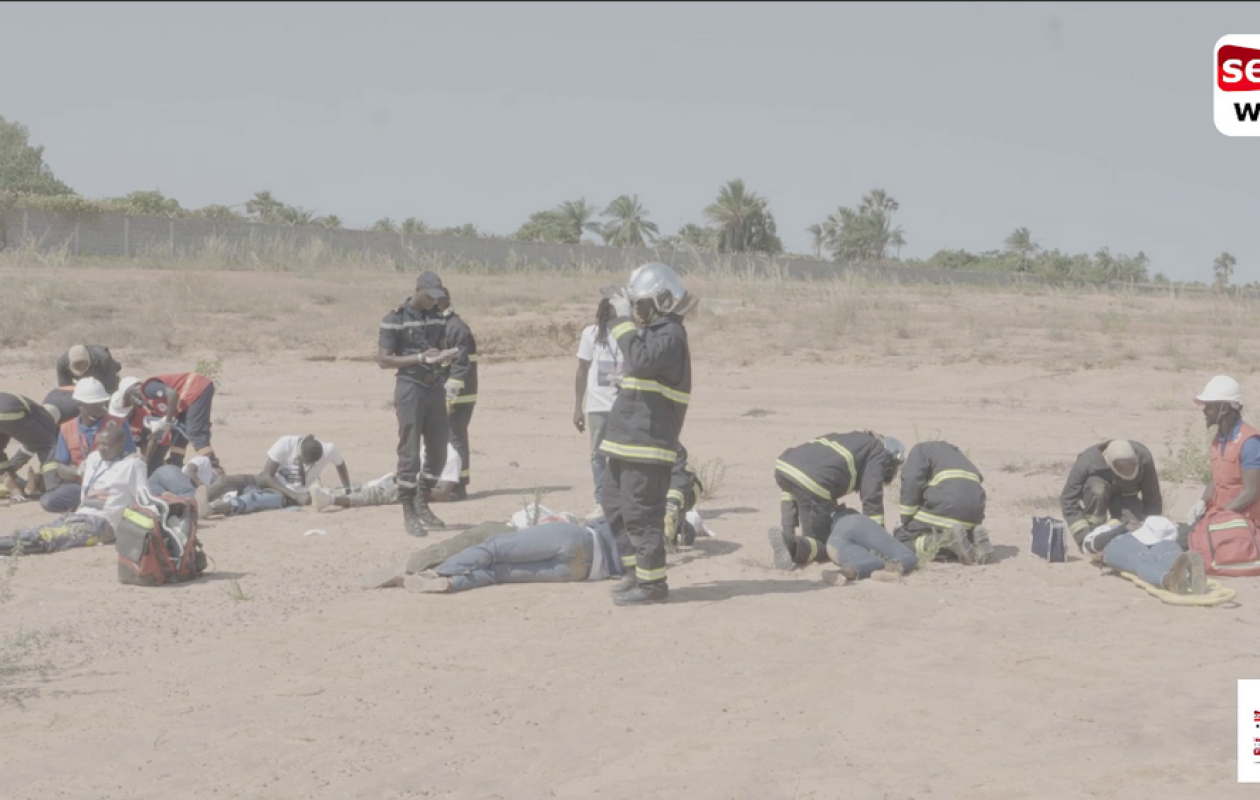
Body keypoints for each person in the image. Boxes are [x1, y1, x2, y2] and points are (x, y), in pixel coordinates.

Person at [597, 263, 697, 606]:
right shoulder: (654, 334)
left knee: (641, 515)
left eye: (640, 303)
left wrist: (622, 321)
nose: (637, 310)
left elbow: (640, 361)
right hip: (626, 441)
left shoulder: (671, 335)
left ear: (662, 300)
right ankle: (634, 573)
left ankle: (653, 585)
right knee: (615, 508)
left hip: (647, 446)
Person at [378, 271, 454, 537]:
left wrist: (445, 356)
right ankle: (408, 510)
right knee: (409, 451)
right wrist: (420, 357)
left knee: (439, 450)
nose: (434, 301)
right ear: (418, 290)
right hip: (410, 387)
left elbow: (442, 346)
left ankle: (422, 500)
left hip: (435, 387)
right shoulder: (395, 319)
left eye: (437, 297)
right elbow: (384, 360)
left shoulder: (437, 316)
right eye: (430, 296)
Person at [768, 430, 906, 570]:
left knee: (795, 488)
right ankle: (790, 545)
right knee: (822, 544)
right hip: (813, 482)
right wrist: (878, 539)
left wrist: (788, 530)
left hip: (784, 466)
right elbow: (872, 497)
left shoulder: (849, 440)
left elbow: (789, 492)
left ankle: (786, 538)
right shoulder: (877, 450)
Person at [0, 425, 147, 556]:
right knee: (39, 530)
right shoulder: (94, 459)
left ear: (120, 446)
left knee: (51, 537)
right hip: (79, 514)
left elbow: (143, 498)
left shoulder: (133, 465)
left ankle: (9, 547)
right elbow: (80, 477)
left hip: (103, 523)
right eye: (100, 443)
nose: (101, 448)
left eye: (106, 445)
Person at [404, 518, 624, 594]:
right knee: (499, 573)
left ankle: (438, 573)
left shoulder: (635, 505)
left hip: (581, 538)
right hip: (584, 571)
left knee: (494, 549)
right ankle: (451, 583)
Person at [41, 378, 136, 513]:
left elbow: (130, 458)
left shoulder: (118, 424)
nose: (101, 406)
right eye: (94, 404)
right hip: (81, 485)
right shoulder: (67, 428)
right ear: (80, 404)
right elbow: (61, 467)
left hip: (111, 485)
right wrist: (79, 472)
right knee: (48, 501)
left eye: (102, 402)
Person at [205, 434, 350, 518]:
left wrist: (347, 488)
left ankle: (211, 510)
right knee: (226, 481)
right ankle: (195, 503)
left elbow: (340, 464)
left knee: (252, 499)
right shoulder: (286, 443)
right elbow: (267, 476)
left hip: (283, 496)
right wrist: (295, 495)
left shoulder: (329, 449)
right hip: (269, 482)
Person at [895, 440, 988, 565]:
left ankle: (946, 542)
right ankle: (972, 540)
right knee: (952, 533)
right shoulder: (958, 455)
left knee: (902, 539)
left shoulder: (920, 450)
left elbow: (911, 481)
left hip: (947, 507)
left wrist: (906, 519)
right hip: (975, 514)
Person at [573, 297, 625, 521]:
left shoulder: (628, 334)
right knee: (598, 456)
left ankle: (621, 501)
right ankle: (601, 502)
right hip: (597, 405)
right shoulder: (591, 334)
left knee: (623, 456)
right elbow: (582, 369)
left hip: (623, 405)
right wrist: (578, 406)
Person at [1060, 438, 1162, 550]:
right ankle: (1095, 531)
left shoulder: (1144, 458)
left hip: (1126, 497)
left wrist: (1151, 530)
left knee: (1135, 531)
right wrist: (1083, 536)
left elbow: (1152, 498)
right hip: (1098, 493)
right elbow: (1068, 499)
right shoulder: (1088, 461)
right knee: (1097, 489)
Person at [1188, 375, 1260, 530]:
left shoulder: (1249, 442)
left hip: (1242, 523)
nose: (1204, 411)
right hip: (1219, 517)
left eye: (1209, 406)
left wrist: (1220, 517)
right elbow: (1216, 481)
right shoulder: (1218, 439)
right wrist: (1201, 502)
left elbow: (1251, 492)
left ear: (1225, 409)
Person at [310, 442, 462, 512]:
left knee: (374, 494)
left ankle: (330, 500)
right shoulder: (428, 447)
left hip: (413, 490)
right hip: (404, 480)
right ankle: (324, 494)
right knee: (362, 486)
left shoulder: (451, 456)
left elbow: (443, 494)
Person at [1080, 513, 1208, 595]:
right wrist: (1122, 528)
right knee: (1144, 557)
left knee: (1166, 554)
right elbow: (1089, 546)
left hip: (1155, 539)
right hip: (1121, 539)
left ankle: (1185, 577)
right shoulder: (1109, 528)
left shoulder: (1152, 526)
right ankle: (1175, 579)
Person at [113, 372, 220, 470]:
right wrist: (146, 459)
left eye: (128, 400)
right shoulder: (150, 405)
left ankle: (214, 466)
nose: (131, 404)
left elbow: (172, 393)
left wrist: (168, 420)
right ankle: (175, 464)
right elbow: (157, 434)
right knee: (177, 437)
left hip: (196, 387)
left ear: (132, 392)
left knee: (195, 433)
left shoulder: (147, 389)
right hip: (185, 403)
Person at [438, 287, 478, 501]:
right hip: (447, 392)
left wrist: (450, 393)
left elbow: (461, 364)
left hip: (460, 395)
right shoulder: (442, 326)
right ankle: (448, 481)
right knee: (447, 437)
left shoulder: (457, 328)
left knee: (455, 437)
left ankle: (459, 486)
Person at [820, 507, 920, 585]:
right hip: (855, 521)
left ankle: (842, 573)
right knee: (905, 554)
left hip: (833, 541)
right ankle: (891, 569)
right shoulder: (848, 514)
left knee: (871, 561)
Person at [0, 393, 62, 502]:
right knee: (47, 445)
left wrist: (9, 471)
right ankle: (53, 488)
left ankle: (8, 479)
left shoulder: (34, 417)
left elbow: (28, 448)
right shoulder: (47, 423)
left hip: (8, 410)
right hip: (9, 411)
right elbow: (41, 446)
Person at [55, 344, 123, 395]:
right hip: (79, 382)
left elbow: (111, 387)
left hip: (101, 373)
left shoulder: (103, 359)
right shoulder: (62, 364)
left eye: (82, 365)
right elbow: (65, 389)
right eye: (77, 366)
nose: (80, 368)